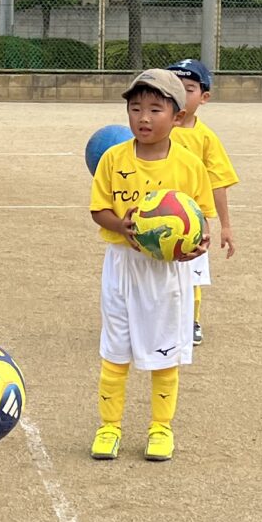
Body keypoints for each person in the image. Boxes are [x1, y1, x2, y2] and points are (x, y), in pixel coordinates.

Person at [88, 68, 212, 462]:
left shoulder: (189, 165)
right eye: (135, 108)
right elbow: (99, 209)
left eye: (155, 109)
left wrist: (198, 244)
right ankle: (109, 427)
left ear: (177, 116)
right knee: (115, 349)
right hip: (122, 265)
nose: (143, 118)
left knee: (166, 351)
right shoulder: (113, 158)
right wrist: (120, 226)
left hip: (167, 272)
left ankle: (160, 428)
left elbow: (200, 217)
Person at [166, 58, 239, 346]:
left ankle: (191, 320)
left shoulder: (206, 138)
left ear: (204, 97)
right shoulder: (157, 128)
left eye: (188, 89)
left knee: (192, 273)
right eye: (173, 87)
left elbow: (218, 182)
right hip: (155, 214)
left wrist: (226, 226)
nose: (180, 94)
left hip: (193, 219)